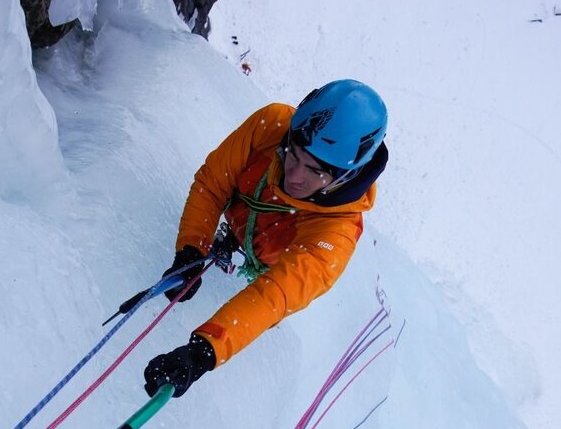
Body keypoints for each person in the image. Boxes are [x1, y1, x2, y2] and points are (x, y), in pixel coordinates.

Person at [143, 79, 388, 398]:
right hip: (241, 219)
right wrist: (191, 248)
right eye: (293, 154)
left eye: (315, 171)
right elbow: (213, 184)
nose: (294, 175)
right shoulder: (272, 126)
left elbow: (274, 296)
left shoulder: (336, 232)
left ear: (347, 176)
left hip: (269, 258)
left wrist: (204, 351)